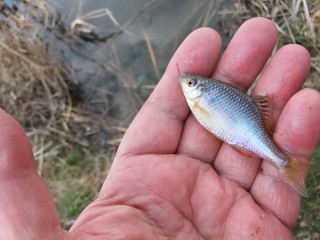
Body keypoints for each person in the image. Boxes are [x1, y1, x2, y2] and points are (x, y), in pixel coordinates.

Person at [0, 17, 319, 240]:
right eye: (190, 82)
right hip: (243, 133)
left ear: (200, 89)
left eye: (191, 83)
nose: (186, 84)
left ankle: (287, 164)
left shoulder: (205, 98)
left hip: (245, 131)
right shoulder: (202, 99)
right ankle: (287, 166)